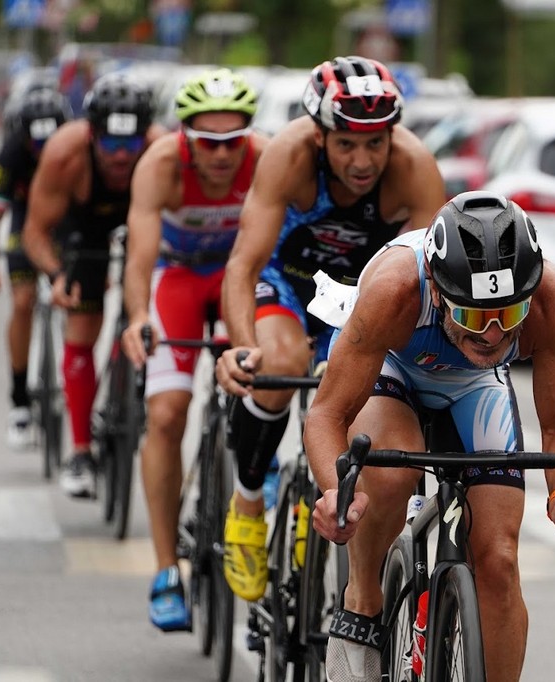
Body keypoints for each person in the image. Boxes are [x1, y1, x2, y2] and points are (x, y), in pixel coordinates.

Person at [303, 191, 555, 682]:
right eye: (472, 316)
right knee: (384, 480)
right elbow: (326, 415)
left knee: (499, 561)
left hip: (475, 386)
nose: (492, 335)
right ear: (439, 290)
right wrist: (333, 494)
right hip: (395, 368)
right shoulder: (395, 290)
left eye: (508, 316)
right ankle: (362, 601)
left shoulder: (551, 295)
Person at [213, 55, 446, 603]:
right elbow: (243, 265)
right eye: (346, 144)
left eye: (375, 143)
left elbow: (430, 288)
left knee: (363, 403)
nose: (362, 161)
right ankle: (248, 500)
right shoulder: (287, 156)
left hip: (365, 303)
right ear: (320, 137)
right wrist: (243, 348)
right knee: (278, 366)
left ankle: (322, 512)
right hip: (290, 282)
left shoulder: (414, 169)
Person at [118, 68, 269, 632]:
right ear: (185, 136)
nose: (224, 154)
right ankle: (165, 570)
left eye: (235, 140)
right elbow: (139, 255)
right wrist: (137, 318)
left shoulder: (267, 158)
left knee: (265, 377)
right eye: (209, 142)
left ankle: (257, 467)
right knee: (166, 413)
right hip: (178, 279)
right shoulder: (159, 165)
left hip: (235, 280)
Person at [23, 72, 162, 499]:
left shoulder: (159, 151)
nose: (122, 157)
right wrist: (56, 274)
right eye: (111, 145)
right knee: (83, 327)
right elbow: (35, 232)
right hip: (84, 228)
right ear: (92, 135)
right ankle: (81, 451)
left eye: (130, 145)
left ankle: (131, 386)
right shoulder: (65, 153)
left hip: (145, 219)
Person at [0, 87, 71, 450]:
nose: (46, 153)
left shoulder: (76, 151)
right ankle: (19, 399)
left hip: (64, 223)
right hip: (23, 221)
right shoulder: (12, 152)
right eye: (38, 146)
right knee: (22, 302)